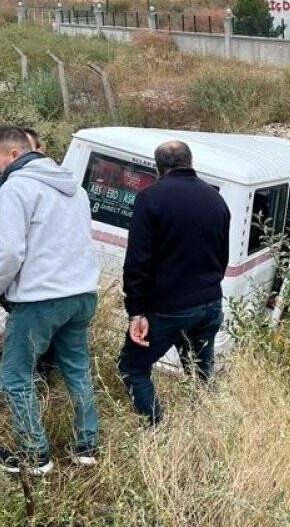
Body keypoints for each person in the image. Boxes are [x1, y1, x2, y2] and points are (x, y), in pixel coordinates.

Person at [0, 126, 100, 475]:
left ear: (14, 155)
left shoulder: (15, 190)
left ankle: (35, 455)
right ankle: (86, 446)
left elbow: (10, 251)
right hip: (81, 295)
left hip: (40, 300)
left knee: (15, 376)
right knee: (77, 369)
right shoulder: (74, 188)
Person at [118, 140, 231, 425]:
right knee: (201, 374)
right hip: (209, 303)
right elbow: (222, 256)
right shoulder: (216, 200)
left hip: (169, 307)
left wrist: (136, 311)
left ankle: (158, 431)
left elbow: (137, 262)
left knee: (132, 367)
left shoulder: (150, 198)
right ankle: (209, 432)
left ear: (159, 167)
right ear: (190, 162)